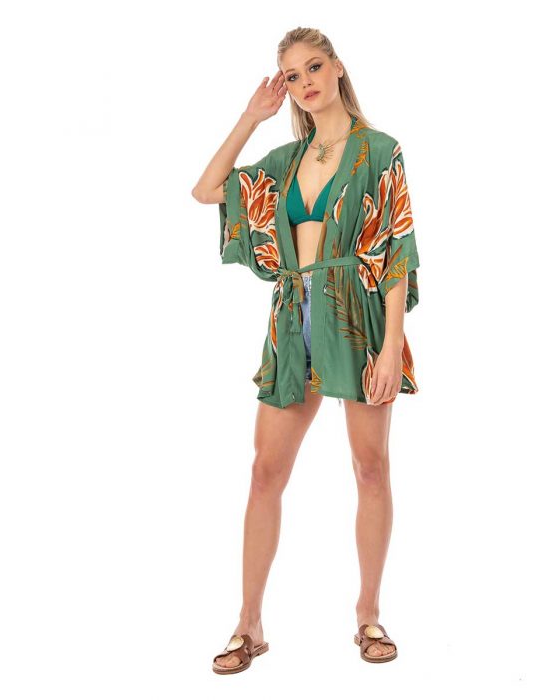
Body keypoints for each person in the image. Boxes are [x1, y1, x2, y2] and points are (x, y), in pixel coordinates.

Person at [192, 27, 420, 673]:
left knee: (370, 468)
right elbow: (207, 190)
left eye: (314, 67)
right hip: (293, 318)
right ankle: (249, 623)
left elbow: (397, 248)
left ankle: (368, 614)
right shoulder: (286, 161)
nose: (305, 82)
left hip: (358, 318)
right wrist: (251, 117)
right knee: (265, 472)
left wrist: (391, 346)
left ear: (338, 67)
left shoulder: (379, 150)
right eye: (292, 75)